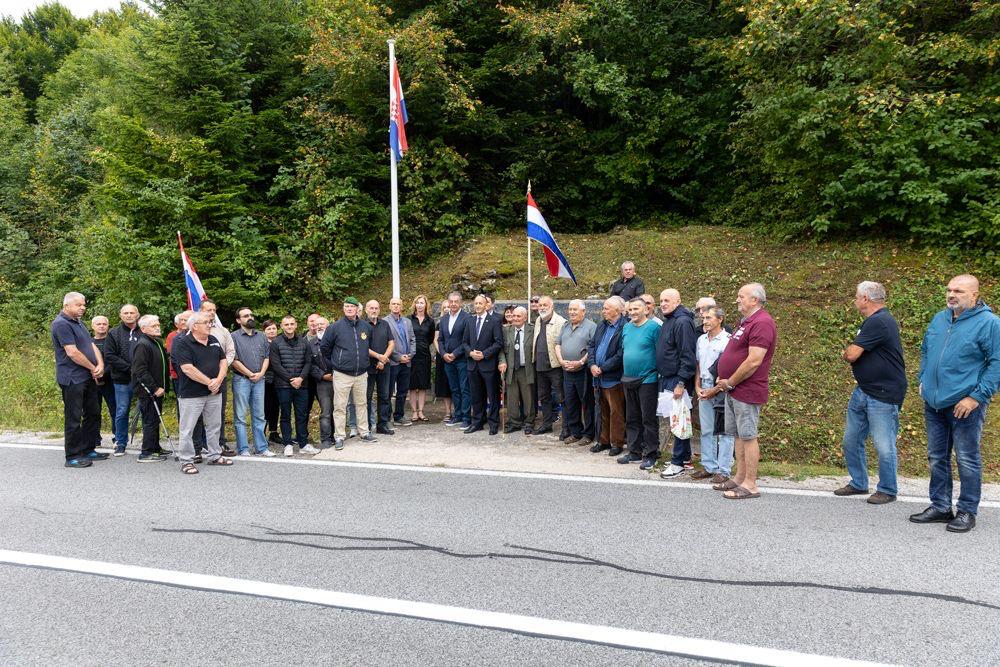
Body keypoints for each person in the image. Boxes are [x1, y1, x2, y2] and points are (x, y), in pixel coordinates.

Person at [910, 274, 1000, 533]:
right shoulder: (940, 319)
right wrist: (923, 379)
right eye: (949, 290)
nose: (951, 295)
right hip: (934, 402)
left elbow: (997, 363)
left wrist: (976, 397)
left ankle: (967, 511)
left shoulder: (990, 323)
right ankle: (940, 506)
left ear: (974, 295)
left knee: (966, 458)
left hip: (965, 404)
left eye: (959, 291)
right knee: (936, 456)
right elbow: (926, 349)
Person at [833, 282, 906, 504]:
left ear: (865, 298)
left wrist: (848, 351)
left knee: (884, 445)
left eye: (857, 296)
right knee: (851, 439)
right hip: (864, 389)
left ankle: (888, 489)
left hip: (883, 393)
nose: (854, 300)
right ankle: (859, 483)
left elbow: (852, 354)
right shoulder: (874, 321)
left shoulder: (879, 321)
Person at [702, 283, 777, 500]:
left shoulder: (762, 322)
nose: (737, 299)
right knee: (737, 435)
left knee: (748, 436)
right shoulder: (746, 321)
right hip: (733, 388)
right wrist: (723, 377)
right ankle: (739, 477)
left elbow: (754, 360)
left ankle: (750, 484)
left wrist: (730, 381)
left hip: (747, 388)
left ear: (755, 300)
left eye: (741, 296)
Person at [171, 311, 233, 474]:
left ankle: (214, 455)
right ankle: (186, 461)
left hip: (214, 392)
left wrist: (218, 380)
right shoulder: (182, 343)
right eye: (206, 322)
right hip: (191, 394)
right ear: (195, 326)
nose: (209, 325)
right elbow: (187, 369)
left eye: (210, 322)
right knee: (187, 429)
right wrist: (210, 382)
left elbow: (223, 361)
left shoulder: (213, 340)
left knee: (214, 426)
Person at [51, 292, 107, 468]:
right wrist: (92, 368)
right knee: (74, 417)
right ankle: (73, 456)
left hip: (87, 376)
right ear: (66, 306)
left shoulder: (78, 322)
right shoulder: (61, 324)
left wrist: (100, 364)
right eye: (78, 305)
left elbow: (90, 344)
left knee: (93, 413)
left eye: (83, 304)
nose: (83, 307)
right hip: (72, 378)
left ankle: (88, 448)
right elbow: (72, 352)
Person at [321, 297, 377, 449]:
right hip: (342, 374)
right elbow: (324, 348)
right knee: (340, 406)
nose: (349, 309)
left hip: (361, 374)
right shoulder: (335, 327)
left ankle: (364, 432)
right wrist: (335, 364)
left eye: (352, 307)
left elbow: (368, 346)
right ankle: (339, 436)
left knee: (362, 404)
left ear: (358, 309)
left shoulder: (366, 326)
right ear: (343, 309)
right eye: (346, 307)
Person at [656, 289, 698, 478]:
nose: (663, 304)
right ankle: (685, 458)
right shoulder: (670, 320)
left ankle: (677, 463)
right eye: (661, 300)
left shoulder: (682, 322)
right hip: (668, 377)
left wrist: (681, 382)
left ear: (678, 301)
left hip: (677, 379)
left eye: (667, 300)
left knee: (679, 420)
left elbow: (687, 355)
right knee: (678, 419)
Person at [619, 298, 662, 469]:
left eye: (636, 309)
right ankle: (634, 451)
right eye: (630, 310)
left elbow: (660, 352)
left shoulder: (654, 328)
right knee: (631, 417)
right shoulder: (626, 327)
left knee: (648, 418)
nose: (633, 312)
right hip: (628, 378)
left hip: (648, 379)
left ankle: (651, 453)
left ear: (646, 310)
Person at [692, 306, 733, 483]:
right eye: (704, 318)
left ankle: (723, 470)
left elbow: (730, 369)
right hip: (704, 387)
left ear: (720, 319)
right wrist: (697, 386)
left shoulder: (728, 340)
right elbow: (698, 365)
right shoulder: (701, 340)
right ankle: (709, 466)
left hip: (721, 389)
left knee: (724, 431)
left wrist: (714, 390)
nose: (705, 321)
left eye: (709, 318)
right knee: (707, 429)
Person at [231, 307, 274, 457]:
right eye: (245, 316)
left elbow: (267, 357)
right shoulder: (233, 337)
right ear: (238, 320)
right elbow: (233, 360)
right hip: (241, 380)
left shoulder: (261, 336)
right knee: (240, 416)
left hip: (259, 380)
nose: (250, 317)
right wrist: (250, 374)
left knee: (259, 415)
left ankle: (261, 448)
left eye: (251, 315)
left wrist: (261, 373)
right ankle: (243, 448)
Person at [269, 315, 315, 456]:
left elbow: (308, 362)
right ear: (282, 326)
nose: (289, 326)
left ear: (296, 325)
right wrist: (291, 379)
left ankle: (303, 444)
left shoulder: (304, 342)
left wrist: (300, 378)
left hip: (302, 385)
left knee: (302, 415)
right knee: (285, 415)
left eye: (291, 324)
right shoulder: (276, 343)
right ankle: (288, 443)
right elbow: (276, 364)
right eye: (286, 324)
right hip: (283, 386)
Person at [197, 299, 237, 457]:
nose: (212, 313)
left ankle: (219, 443)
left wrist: (222, 369)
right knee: (198, 412)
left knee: (218, 412)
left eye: (214, 310)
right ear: (200, 311)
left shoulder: (222, 331)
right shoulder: (193, 330)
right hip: (199, 379)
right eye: (208, 310)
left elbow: (230, 352)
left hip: (220, 377)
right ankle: (200, 445)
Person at [588, 296, 626, 455]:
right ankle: (603, 441)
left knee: (616, 412)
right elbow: (592, 346)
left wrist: (603, 368)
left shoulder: (624, 327)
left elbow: (620, 354)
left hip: (613, 377)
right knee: (602, 410)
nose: (603, 311)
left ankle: (616, 443)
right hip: (598, 377)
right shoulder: (602, 325)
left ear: (617, 310)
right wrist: (592, 364)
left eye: (606, 308)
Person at [556, 300, 597, 446]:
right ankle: (576, 432)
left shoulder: (591, 326)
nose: (572, 312)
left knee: (586, 403)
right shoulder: (565, 326)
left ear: (583, 311)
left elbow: (593, 348)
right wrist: (561, 361)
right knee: (570, 402)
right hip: (567, 370)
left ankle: (588, 434)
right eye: (570, 309)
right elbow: (557, 344)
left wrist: (580, 362)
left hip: (583, 371)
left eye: (575, 309)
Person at [462, 294, 504, 435]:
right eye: (476, 303)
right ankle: (477, 423)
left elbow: (498, 343)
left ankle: (493, 424)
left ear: (486, 305)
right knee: (476, 396)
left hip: (488, 365)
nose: (478, 306)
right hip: (473, 365)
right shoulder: (470, 321)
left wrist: (484, 354)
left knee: (493, 396)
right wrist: (470, 353)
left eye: (481, 303)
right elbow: (464, 342)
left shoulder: (494, 321)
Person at [131, 314, 170, 462]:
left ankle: (155, 447)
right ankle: (146, 452)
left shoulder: (156, 342)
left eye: (158, 325)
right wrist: (154, 388)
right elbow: (140, 370)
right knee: (150, 420)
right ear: (143, 328)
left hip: (158, 390)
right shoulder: (143, 344)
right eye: (154, 326)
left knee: (155, 419)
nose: (157, 327)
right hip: (148, 390)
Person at [103, 303, 140, 456]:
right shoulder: (114, 333)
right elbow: (109, 355)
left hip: (143, 378)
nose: (129, 315)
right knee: (122, 410)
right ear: (120, 315)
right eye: (125, 313)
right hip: (122, 379)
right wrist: (130, 368)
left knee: (148, 410)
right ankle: (120, 442)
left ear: (137, 315)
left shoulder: (144, 330)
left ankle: (151, 444)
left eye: (132, 312)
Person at [531, 296, 567, 435]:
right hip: (540, 365)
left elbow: (562, 344)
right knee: (544, 397)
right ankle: (546, 424)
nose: (542, 307)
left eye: (545, 305)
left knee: (561, 397)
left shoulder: (561, 322)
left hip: (555, 366)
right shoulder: (538, 320)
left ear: (552, 306)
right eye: (540, 305)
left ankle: (566, 427)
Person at [498, 306, 535, 434]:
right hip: (511, 369)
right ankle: (514, 423)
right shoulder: (506, 330)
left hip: (526, 369)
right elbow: (501, 349)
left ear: (525, 318)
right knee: (512, 398)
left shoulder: (532, 329)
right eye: (514, 316)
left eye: (518, 316)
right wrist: (502, 361)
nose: (515, 318)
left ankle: (529, 422)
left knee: (528, 397)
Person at [439, 291, 472, 428]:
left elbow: (467, 340)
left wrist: (454, 354)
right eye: (451, 301)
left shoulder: (467, 318)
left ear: (461, 303)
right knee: (454, 388)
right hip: (447, 360)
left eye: (456, 301)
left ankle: (466, 417)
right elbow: (440, 340)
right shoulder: (444, 319)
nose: (453, 304)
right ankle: (457, 415)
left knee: (465, 389)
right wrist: (444, 354)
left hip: (462, 359)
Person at [386, 296, 416, 427]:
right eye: (393, 304)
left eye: (398, 304)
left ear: (402, 307)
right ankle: (387, 418)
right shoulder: (385, 322)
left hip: (407, 362)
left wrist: (410, 355)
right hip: (393, 362)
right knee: (388, 391)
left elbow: (413, 339)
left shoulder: (407, 322)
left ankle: (399, 416)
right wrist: (398, 357)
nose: (396, 306)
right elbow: (385, 343)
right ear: (389, 306)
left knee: (403, 391)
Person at [307, 316, 334, 450]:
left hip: (339, 379)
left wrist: (335, 373)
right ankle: (326, 438)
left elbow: (343, 358)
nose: (319, 326)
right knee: (326, 411)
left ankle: (337, 436)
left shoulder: (336, 341)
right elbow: (309, 364)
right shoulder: (310, 344)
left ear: (328, 326)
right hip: (323, 382)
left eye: (322, 324)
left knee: (339, 410)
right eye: (317, 324)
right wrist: (323, 375)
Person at [408, 295, 435, 422]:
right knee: (412, 385)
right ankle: (414, 412)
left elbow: (431, 338)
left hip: (424, 356)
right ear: (415, 304)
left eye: (422, 303)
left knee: (423, 385)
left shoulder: (430, 321)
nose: (419, 305)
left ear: (426, 305)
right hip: (412, 356)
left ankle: (421, 411)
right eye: (418, 302)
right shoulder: (409, 319)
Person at [90, 315, 116, 447]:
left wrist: (102, 373)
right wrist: (94, 374)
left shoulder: (113, 341)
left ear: (108, 326)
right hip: (92, 381)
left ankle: (117, 437)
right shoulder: (87, 342)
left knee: (115, 409)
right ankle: (94, 438)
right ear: (92, 326)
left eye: (104, 324)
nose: (101, 326)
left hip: (111, 380)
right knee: (93, 410)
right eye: (98, 324)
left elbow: (114, 360)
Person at [433, 299, 453, 422]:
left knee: (456, 385)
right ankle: (448, 412)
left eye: (448, 306)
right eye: (444, 307)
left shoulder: (458, 321)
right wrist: (442, 353)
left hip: (455, 356)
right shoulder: (440, 323)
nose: (446, 309)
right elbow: (435, 339)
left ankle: (459, 411)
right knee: (445, 385)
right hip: (442, 356)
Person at [261, 320, 280, 444]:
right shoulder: (262, 343)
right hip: (265, 380)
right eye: (269, 329)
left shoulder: (280, 342)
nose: (272, 331)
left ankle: (273, 432)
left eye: (273, 328)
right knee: (265, 408)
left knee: (276, 407)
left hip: (279, 380)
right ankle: (261, 433)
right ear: (264, 331)